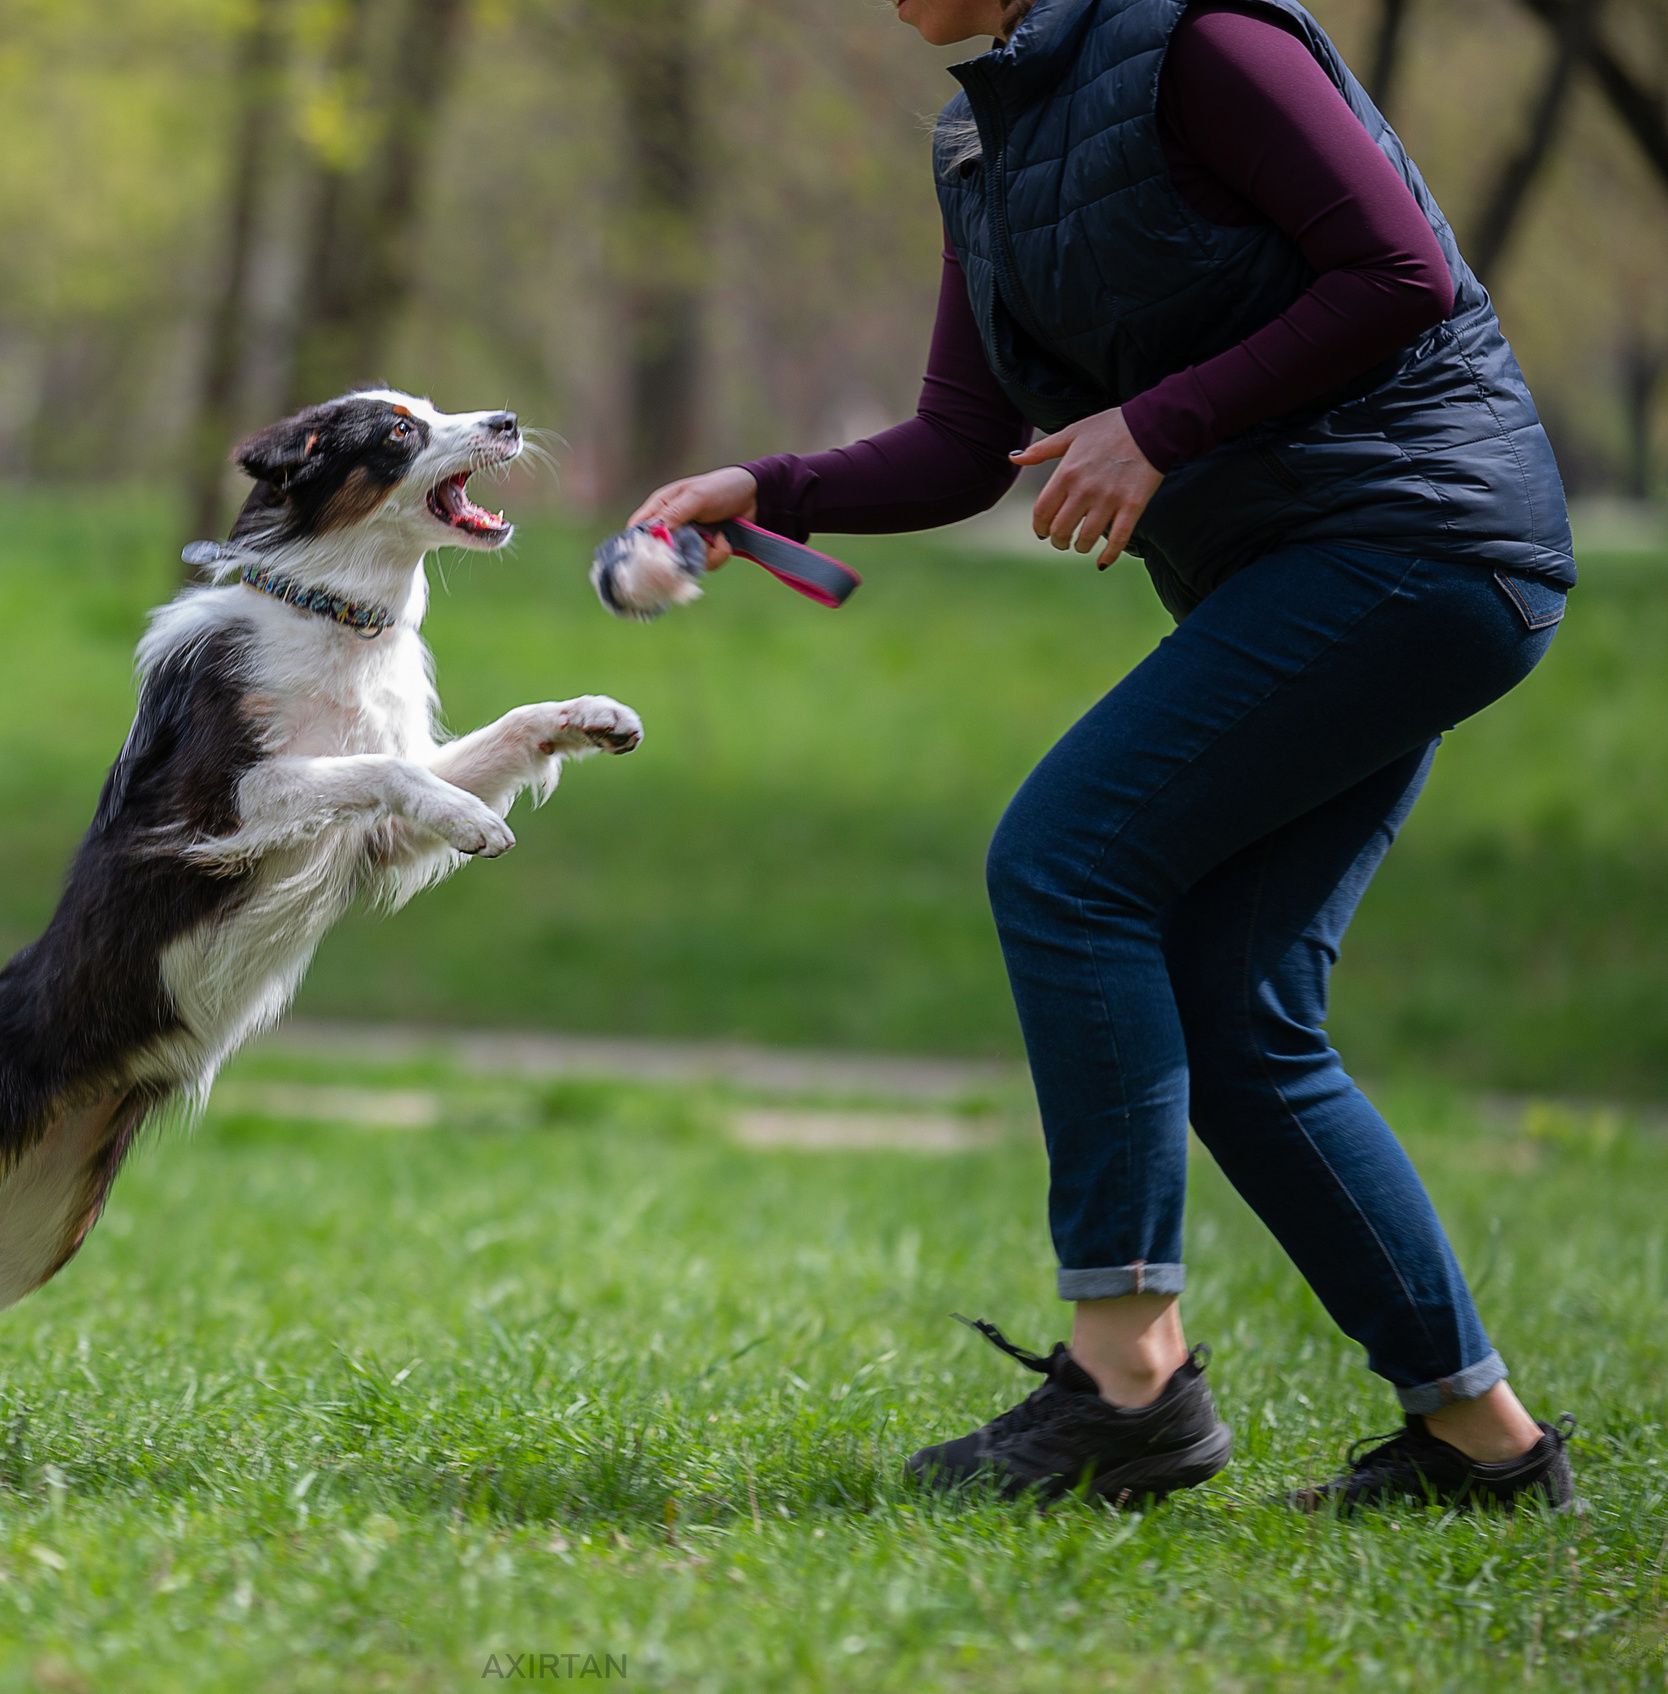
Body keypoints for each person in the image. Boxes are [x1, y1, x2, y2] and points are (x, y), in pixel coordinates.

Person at [633, 0, 1578, 1510]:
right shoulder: (984, 136)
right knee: (1241, 1007)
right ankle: (1487, 1448)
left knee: (1071, 860)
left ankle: (1128, 1376)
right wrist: (773, 488)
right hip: (1324, 574)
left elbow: (1401, 272)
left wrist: (1158, 424)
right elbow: (964, 439)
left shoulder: (1204, 41)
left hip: (1415, 544)